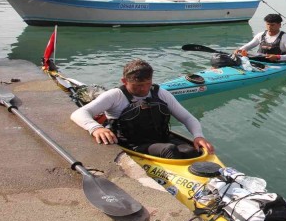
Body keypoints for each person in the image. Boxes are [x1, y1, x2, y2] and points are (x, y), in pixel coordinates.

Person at [70, 59, 214, 158]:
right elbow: (79, 113)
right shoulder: (115, 96)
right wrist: (96, 128)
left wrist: (198, 136)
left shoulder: (160, 93)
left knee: (192, 151)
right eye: (138, 86)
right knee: (169, 150)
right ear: (124, 81)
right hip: (133, 145)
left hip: (160, 139)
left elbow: (187, 118)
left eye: (147, 83)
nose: (144, 89)